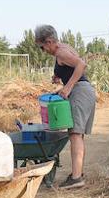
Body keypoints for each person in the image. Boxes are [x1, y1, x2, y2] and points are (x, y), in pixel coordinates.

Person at [34, 25, 96, 189]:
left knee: (75, 134)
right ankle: (77, 174)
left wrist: (68, 87)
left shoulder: (60, 52)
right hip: (85, 91)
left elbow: (81, 65)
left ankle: (76, 179)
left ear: (48, 42)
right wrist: (58, 76)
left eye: (42, 47)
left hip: (80, 92)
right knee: (78, 135)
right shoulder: (63, 49)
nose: (43, 50)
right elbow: (71, 66)